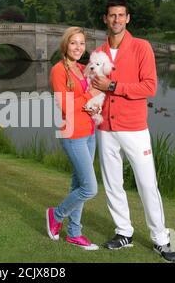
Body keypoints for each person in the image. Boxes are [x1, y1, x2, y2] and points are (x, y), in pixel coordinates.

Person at [91, 0, 175, 262]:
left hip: (134, 127)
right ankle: (123, 232)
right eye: (112, 15)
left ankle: (161, 240)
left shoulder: (142, 47)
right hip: (105, 127)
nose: (116, 20)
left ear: (127, 18)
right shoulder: (98, 52)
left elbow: (149, 87)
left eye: (121, 15)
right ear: (105, 19)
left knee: (147, 184)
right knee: (112, 183)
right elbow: (92, 86)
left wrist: (114, 87)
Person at [46, 27, 101, 250]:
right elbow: (66, 107)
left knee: (78, 184)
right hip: (72, 134)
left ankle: (74, 233)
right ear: (65, 46)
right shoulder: (58, 71)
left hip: (89, 133)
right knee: (90, 188)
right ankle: (55, 215)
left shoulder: (82, 69)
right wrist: (90, 96)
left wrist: (94, 103)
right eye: (73, 43)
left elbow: (91, 100)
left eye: (81, 43)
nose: (78, 47)